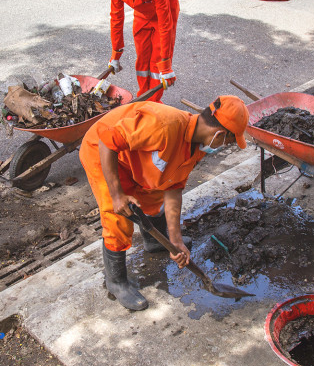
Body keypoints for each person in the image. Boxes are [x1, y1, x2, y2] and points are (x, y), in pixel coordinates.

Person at [79, 96, 249, 310]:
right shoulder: (164, 125)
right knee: (119, 218)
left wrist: (176, 240)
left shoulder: (197, 148)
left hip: (131, 159)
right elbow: (107, 142)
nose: (225, 147)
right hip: (103, 151)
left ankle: (155, 241)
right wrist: (117, 194)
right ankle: (116, 281)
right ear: (220, 135)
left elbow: (173, 188)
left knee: (154, 196)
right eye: (230, 142)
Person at [108, 0, 180, 103]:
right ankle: (143, 97)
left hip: (164, 13)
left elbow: (165, 25)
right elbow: (116, 19)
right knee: (142, 57)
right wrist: (115, 55)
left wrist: (166, 66)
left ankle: (153, 102)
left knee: (157, 60)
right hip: (142, 13)